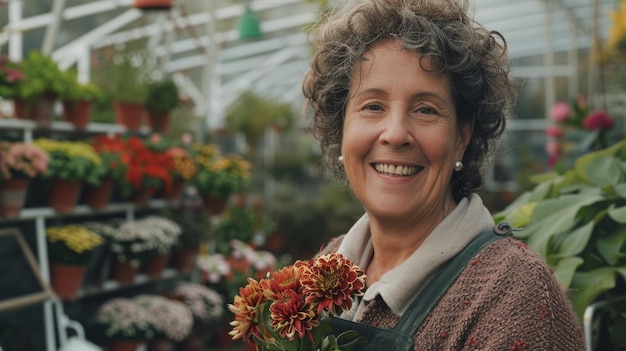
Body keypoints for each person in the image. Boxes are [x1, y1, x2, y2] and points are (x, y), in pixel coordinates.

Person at [301, 0, 586, 350]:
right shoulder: (324, 269)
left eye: (425, 109)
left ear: (462, 138)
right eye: (373, 106)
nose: (395, 134)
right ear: (340, 128)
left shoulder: (514, 294)